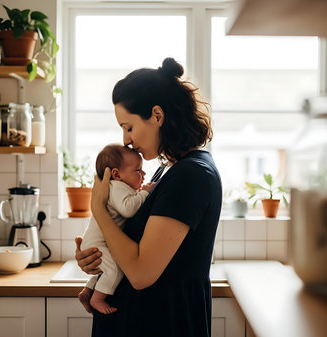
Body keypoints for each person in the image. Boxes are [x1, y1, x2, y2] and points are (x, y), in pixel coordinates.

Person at [74, 57, 222, 337]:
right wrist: (96, 258)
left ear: (157, 115)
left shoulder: (191, 175)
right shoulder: (166, 171)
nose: (126, 139)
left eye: (128, 126)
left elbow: (141, 274)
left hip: (159, 324)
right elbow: (129, 246)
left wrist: (99, 209)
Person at [80, 143, 155, 314]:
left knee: (106, 269)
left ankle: (88, 291)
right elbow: (127, 209)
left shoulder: (117, 187)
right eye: (138, 170)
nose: (143, 174)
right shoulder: (117, 187)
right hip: (97, 244)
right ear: (116, 174)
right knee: (115, 269)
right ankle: (97, 298)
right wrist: (145, 193)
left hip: (96, 242)